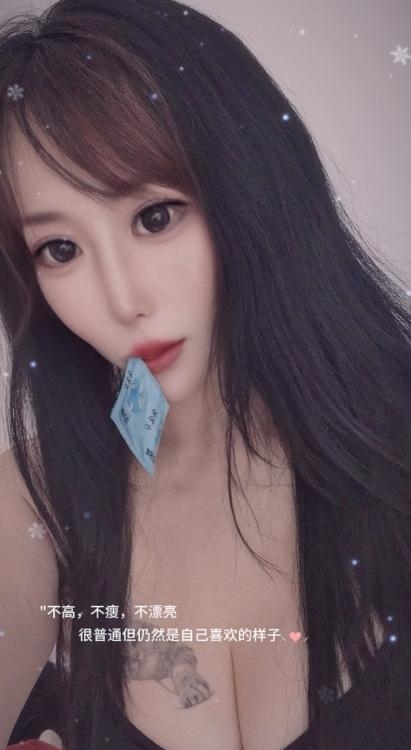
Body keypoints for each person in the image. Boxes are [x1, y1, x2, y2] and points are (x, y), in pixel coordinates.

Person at [0, 1, 410, 749]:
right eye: (60, 249)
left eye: (155, 217)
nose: (123, 301)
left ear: (250, 190)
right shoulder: (38, 494)